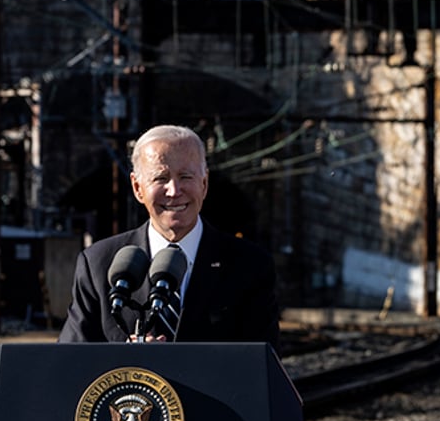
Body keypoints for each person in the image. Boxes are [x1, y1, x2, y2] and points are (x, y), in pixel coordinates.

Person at [58, 124, 281, 354]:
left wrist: (171, 366)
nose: (174, 191)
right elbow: (69, 365)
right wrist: (123, 363)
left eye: (185, 176)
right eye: (161, 178)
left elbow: (261, 370)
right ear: (137, 188)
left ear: (204, 184)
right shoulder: (98, 264)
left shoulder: (251, 266)